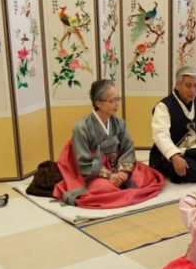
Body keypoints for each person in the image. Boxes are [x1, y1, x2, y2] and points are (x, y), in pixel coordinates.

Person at [53, 79, 165, 208]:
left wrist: (123, 172)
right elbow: (84, 162)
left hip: (117, 163)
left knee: (144, 177)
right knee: (103, 189)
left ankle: (120, 183)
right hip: (94, 171)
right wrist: (110, 176)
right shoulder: (81, 127)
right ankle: (113, 187)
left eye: (118, 99)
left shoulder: (119, 122)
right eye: (112, 101)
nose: (116, 104)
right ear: (98, 103)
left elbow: (127, 148)